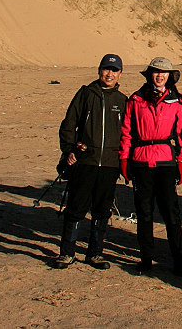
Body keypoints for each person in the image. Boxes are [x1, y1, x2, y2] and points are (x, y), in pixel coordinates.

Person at [52, 54, 127, 270]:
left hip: (110, 164)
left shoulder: (122, 101)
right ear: (99, 71)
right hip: (85, 161)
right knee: (76, 207)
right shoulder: (86, 94)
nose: (109, 74)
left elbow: (128, 133)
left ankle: (95, 254)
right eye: (106, 69)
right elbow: (69, 124)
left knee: (102, 209)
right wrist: (68, 150)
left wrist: (124, 161)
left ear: (120, 74)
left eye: (114, 71)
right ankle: (67, 253)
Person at [119, 57, 182, 274]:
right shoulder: (136, 100)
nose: (160, 76)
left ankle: (178, 260)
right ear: (150, 75)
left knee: (171, 213)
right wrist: (124, 158)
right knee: (144, 212)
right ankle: (146, 259)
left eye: (164, 73)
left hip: (166, 161)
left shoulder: (176, 103)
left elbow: (181, 136)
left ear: (169, 77)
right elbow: (127, 132)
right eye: (156, 72)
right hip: (140, 160)